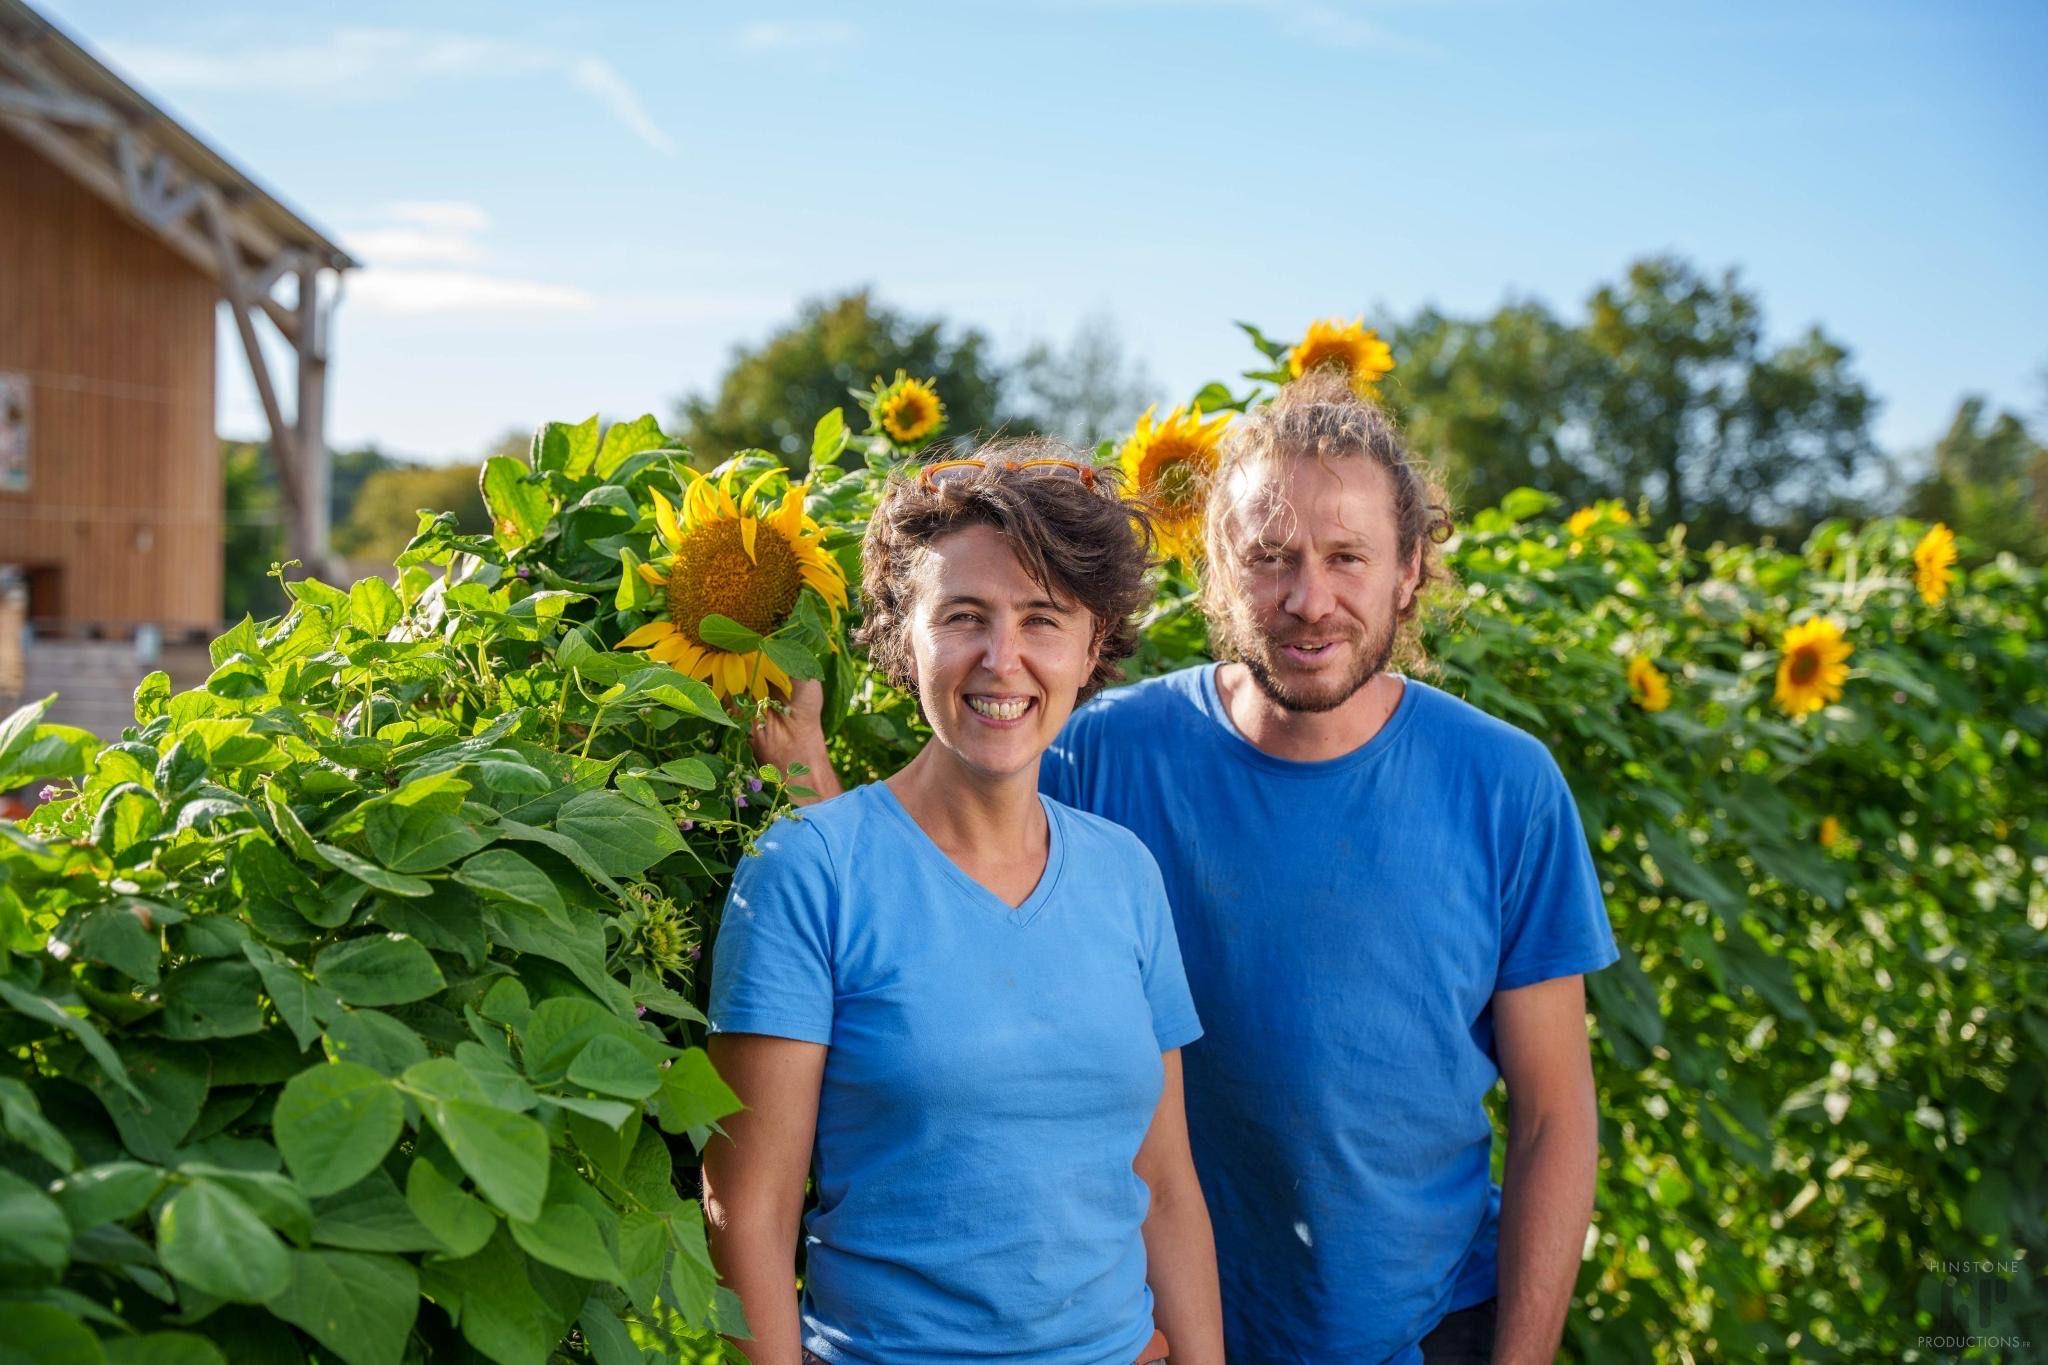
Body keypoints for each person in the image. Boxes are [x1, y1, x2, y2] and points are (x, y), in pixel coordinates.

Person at [757, 373, 1620, 1364]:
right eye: (1269, 557)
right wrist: (805, 781)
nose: (1309, 600)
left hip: (1428, 1326)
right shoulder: (1101, 751)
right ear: (1215, 566)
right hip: (1162, 1326)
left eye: (1347, 557)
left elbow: (1553, 1118)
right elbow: (924, 895)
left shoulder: (1505, 787)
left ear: (1410, 569)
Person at [703, 440, 1226, 1365]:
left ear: (1092, 645)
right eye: (963, 616)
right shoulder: (810, 869)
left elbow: (1166, 1183)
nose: (1002, 658)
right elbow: (748, 1208)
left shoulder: (1125, 873)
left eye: (1042, 619)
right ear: (904, 636)